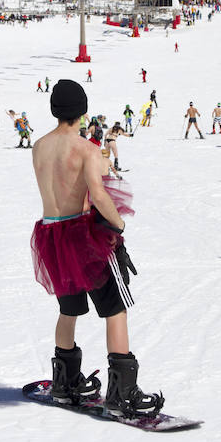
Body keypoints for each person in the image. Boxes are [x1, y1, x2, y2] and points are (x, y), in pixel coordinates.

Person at [30, 79, 162, 417]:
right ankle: (122, 394)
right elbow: (98, 194)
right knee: (115, 308)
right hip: (83, 238)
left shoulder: (39, 146)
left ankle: (64, 383)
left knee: (68, 308)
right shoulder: (86, 148)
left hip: (51, 236)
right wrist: (118, 224)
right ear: (82, 111)